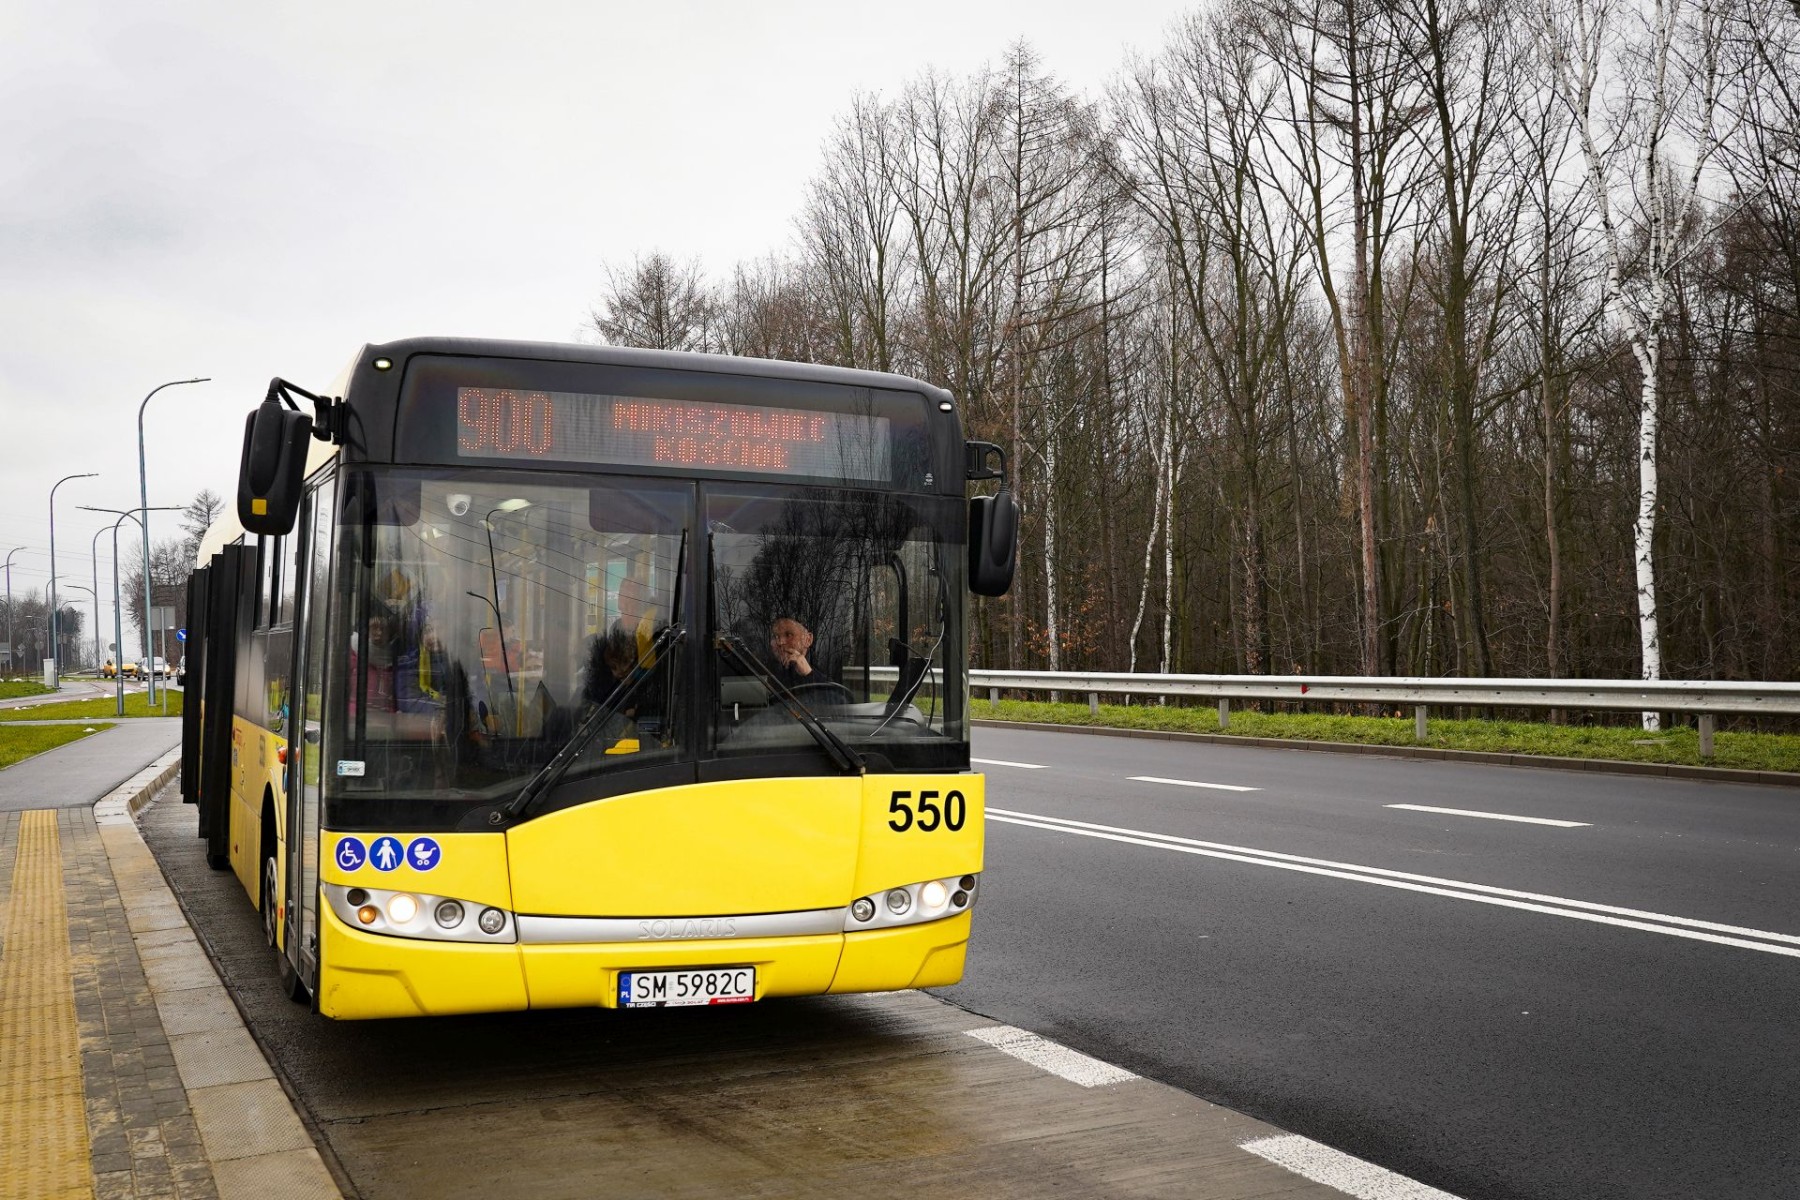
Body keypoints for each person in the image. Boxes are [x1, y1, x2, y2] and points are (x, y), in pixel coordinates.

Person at [769, 615, 820, 691]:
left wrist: (809, 674)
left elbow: (836, 699)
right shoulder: (763, 672)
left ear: (808, 639)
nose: (780, 642)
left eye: (788, 635)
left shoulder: (828, 672)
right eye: (776, 636)